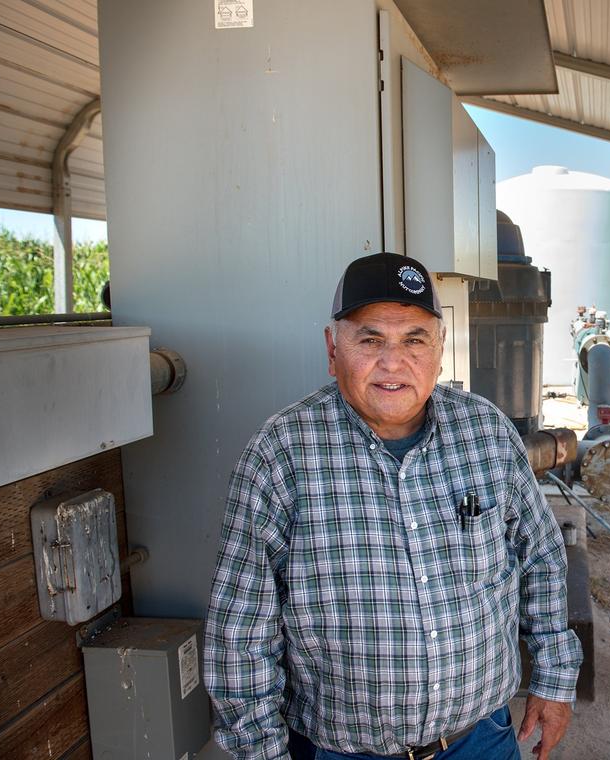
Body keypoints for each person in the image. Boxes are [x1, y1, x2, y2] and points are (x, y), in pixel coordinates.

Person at [205, 252, 582, 760]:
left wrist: (555, 679)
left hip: (481, 740)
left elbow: (540, 556)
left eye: (414, 339)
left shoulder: (487, 433)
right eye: (370, 339)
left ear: (440, 348)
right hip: (342, 753)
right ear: (332, 348)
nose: (393, 363)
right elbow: (241, 631)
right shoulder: (281, 455)